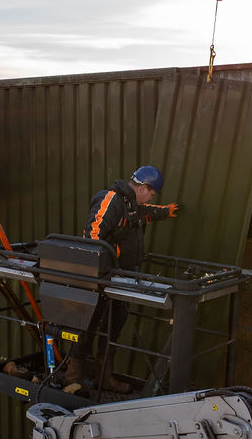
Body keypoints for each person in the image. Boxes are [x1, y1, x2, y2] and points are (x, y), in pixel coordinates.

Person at [65, 165, 181, 392]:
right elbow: (92, 236)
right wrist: (107, 262)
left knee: (113, 326)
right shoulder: (110, 200)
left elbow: (146, 212)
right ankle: (72, 378)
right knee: (88, 323)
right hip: (101, 279)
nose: (151, 197)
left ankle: (104, 377)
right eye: (151, 193)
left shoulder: (132, 206)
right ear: (143, 187)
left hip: (123, 279)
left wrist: (166, 211)